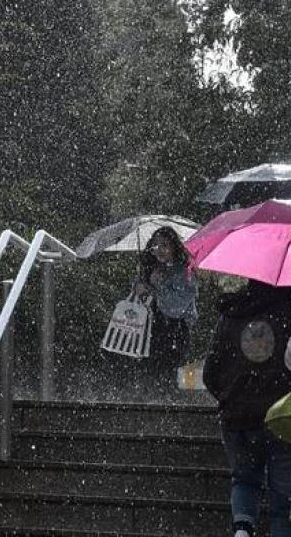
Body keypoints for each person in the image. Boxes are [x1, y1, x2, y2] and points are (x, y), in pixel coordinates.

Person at [204, 278, 291, 537]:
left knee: (244, 479)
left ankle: (242, 530)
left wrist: (231, 398)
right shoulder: (287, 312)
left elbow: (210, 373)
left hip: (238, 417)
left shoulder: (232, 313)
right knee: (283, 497)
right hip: (281, 417)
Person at [133, 226, 198, 394]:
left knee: (170, 379)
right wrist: (141, 286)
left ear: (174, 247)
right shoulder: (149, 268)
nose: (160, 250)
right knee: (147, 379)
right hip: (147, 332)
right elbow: (139, 301)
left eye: (165, 245)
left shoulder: (184, 272)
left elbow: (176, 307)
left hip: (174, 333)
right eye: (156, 245)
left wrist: (158, 285)